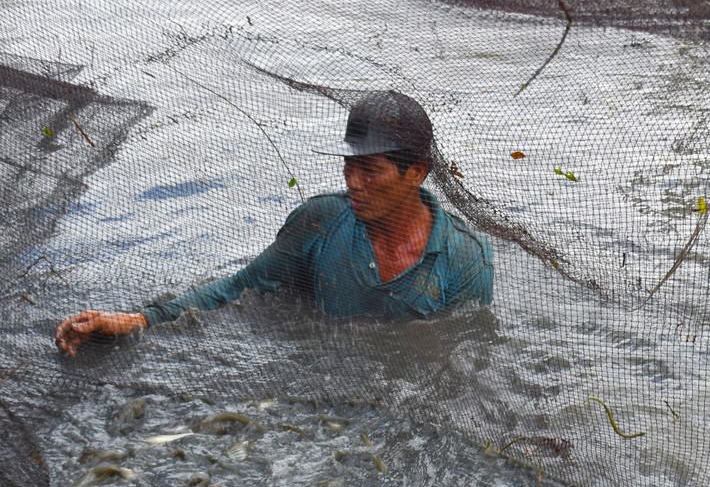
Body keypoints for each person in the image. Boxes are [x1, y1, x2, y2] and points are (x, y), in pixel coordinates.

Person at [56, 91, 493, 355]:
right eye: (348, 167)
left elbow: (463, 353)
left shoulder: (464, 261)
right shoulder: (320, 220)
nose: (353, 183)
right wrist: (139, 320)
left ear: (415, 172)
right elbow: (238, 288)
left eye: (371, 171)